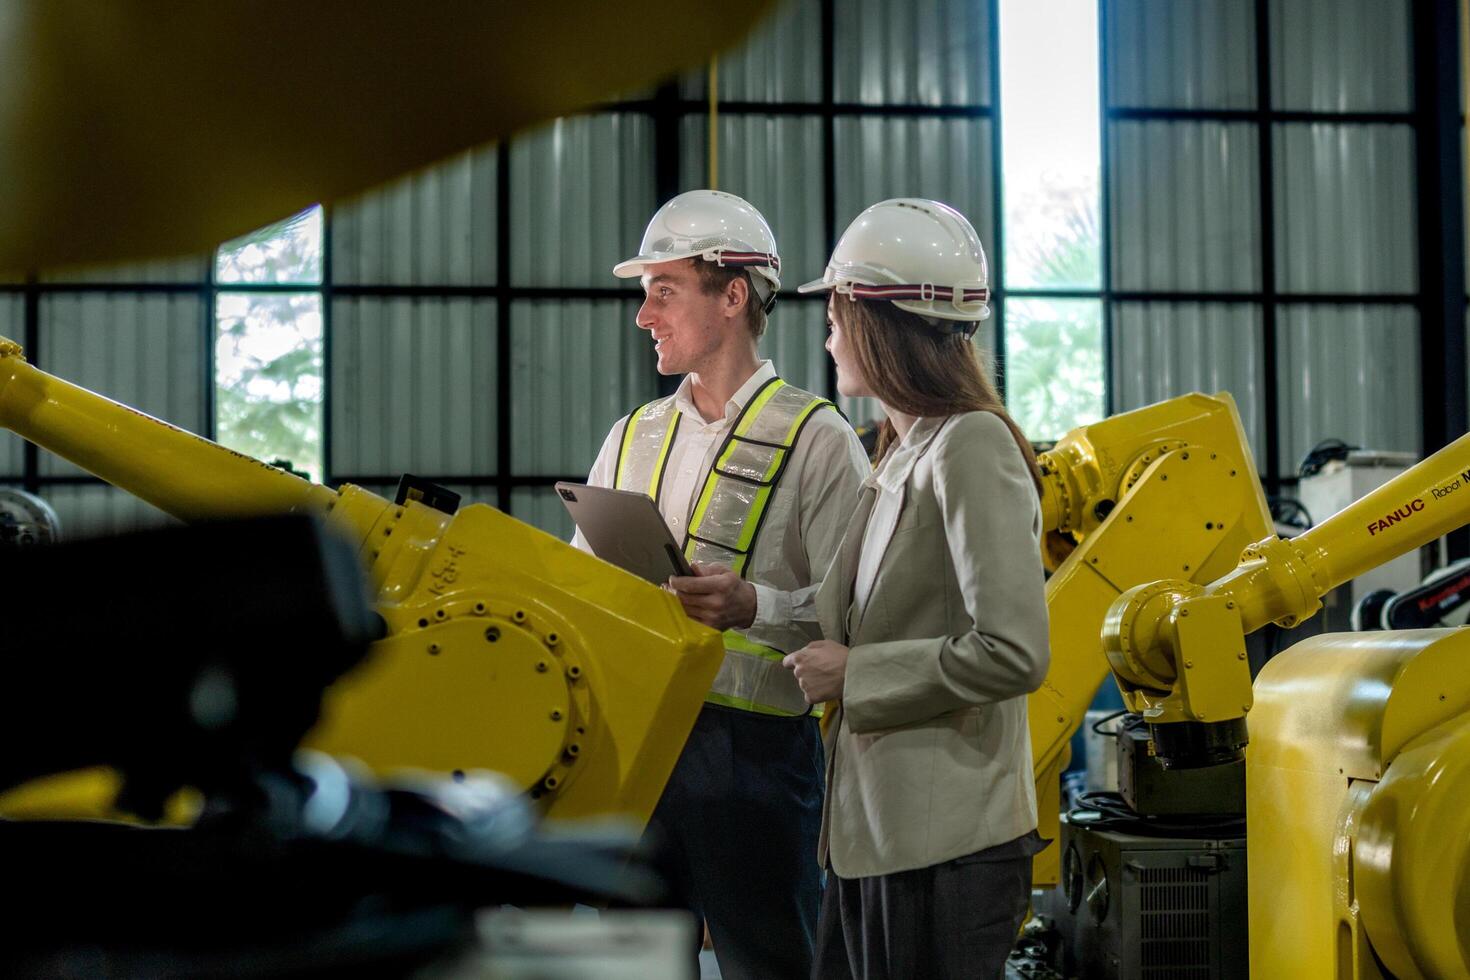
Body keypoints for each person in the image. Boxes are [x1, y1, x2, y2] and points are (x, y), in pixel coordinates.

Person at [572, 189, 870, 978]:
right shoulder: (630, 437)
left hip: (761, 760)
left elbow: (861, 616)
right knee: (632, 964)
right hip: (641, 747)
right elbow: (582, 581)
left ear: (732, 295)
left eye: (663, 291)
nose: (645, 315)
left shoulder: (818, 441)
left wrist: (754, 605)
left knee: (773, 964)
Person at [782, 198, 1052, 979]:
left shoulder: (969, 446)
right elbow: (853, 616)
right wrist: (748, 605)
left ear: (876, 320)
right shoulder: (898, 451)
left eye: (835, 312)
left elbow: (1014, 651)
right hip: (876, 837)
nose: (828, 333)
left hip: (946, 852)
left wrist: (856, 676)